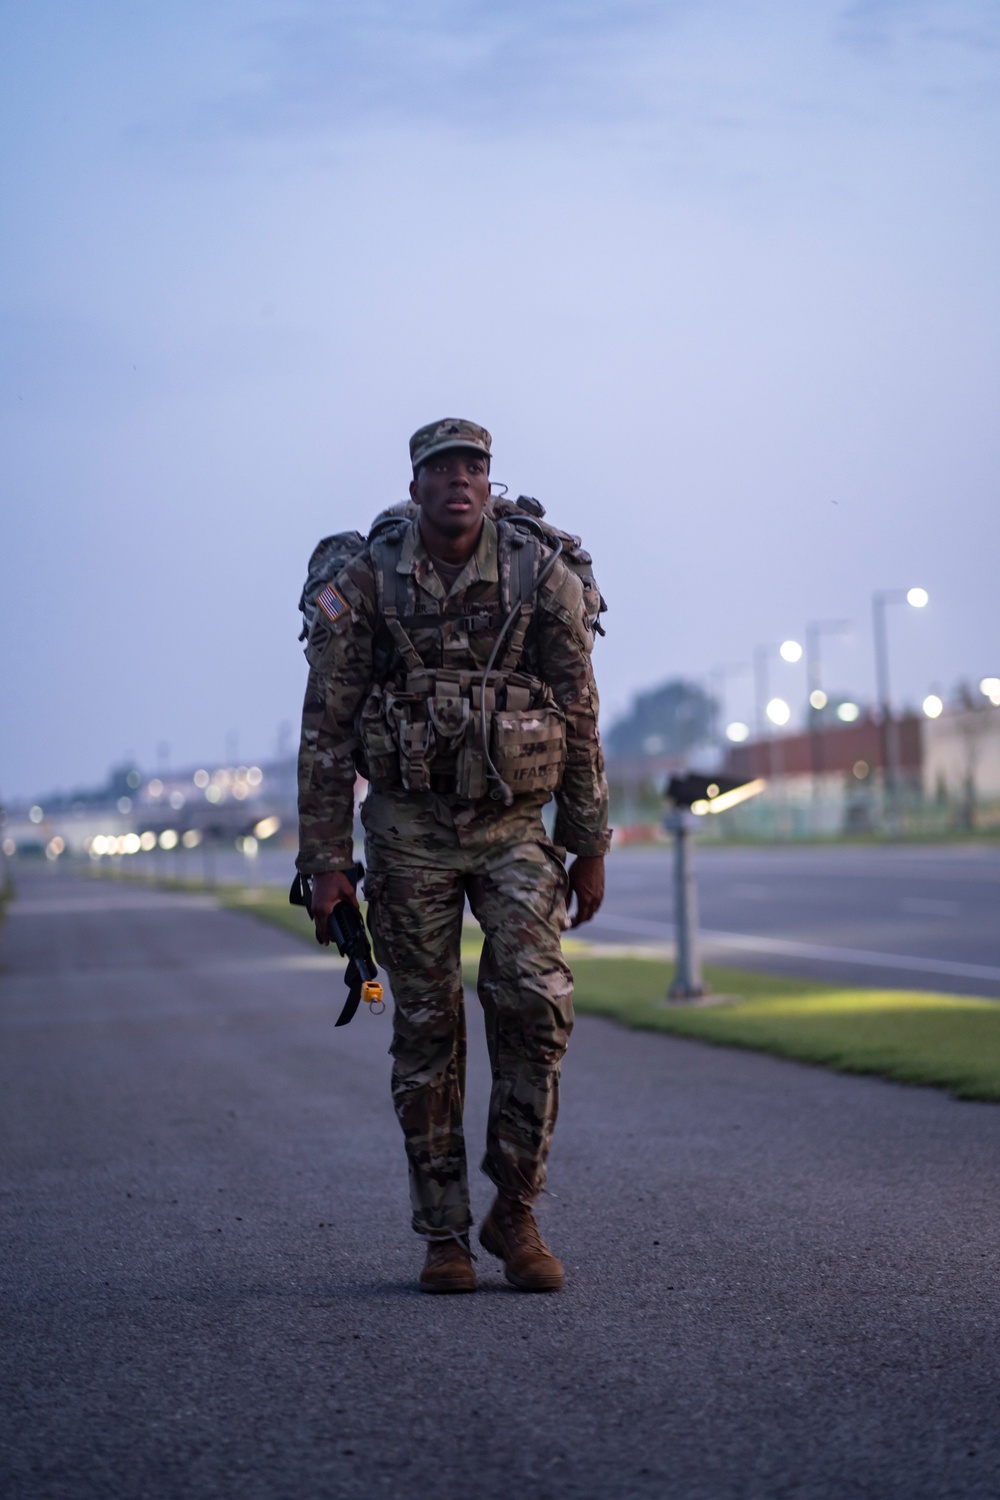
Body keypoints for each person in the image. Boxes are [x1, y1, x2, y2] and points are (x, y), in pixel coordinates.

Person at [296, 418, 610, 1293]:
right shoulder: (367, 581)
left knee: (536, 1004)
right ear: (416, 483)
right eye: (442, 469)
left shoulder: (537, 573)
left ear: (489, 478)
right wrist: (326, 861)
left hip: (513, 828)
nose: (460, 481)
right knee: (429, 1031)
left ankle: (516, 1212)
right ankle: (444, 1235)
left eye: (474, 466)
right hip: (407, 832)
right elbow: (326, 727)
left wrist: (588, 843)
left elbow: (578, 715)